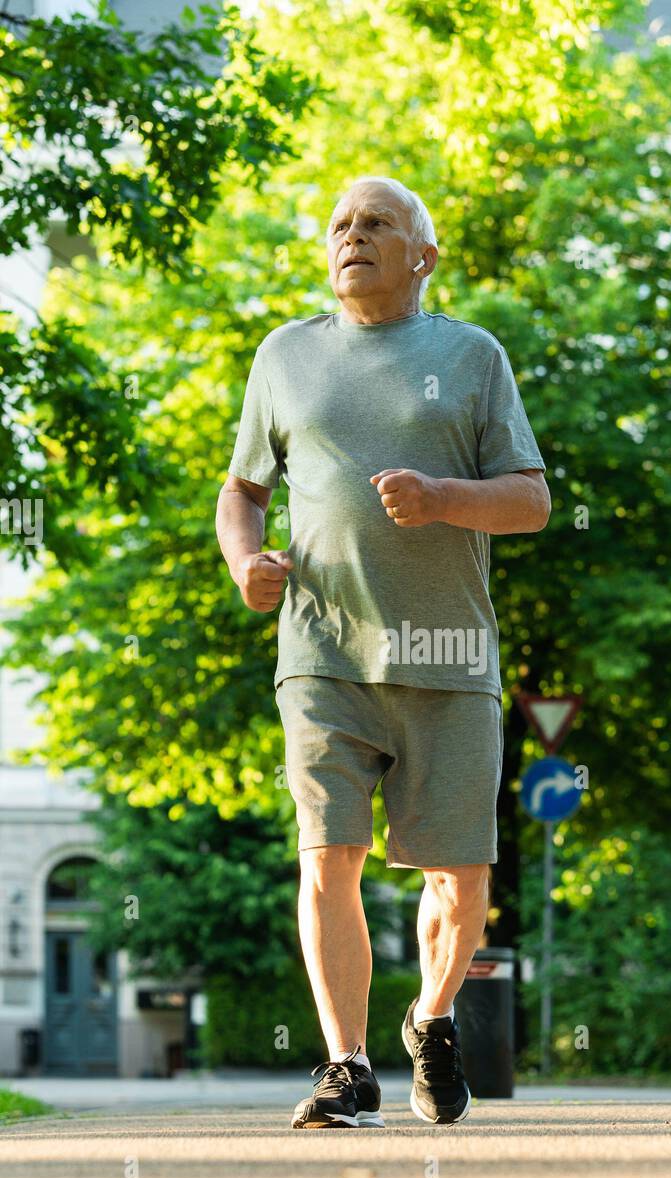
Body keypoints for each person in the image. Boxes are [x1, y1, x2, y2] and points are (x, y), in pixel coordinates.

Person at [216, 175, 549, 1128]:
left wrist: (445, 497)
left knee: (461, 877)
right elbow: (241, 490)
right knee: (329, 856)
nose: (352, 236)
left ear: (423, 255)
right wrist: (247, 560)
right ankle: (345, 1063)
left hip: (449, 657)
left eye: (377, 224)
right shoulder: (285, 357)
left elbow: (530, 500)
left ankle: (432, 1020)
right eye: (340, 225)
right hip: (322, 651)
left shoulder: (471, 355)